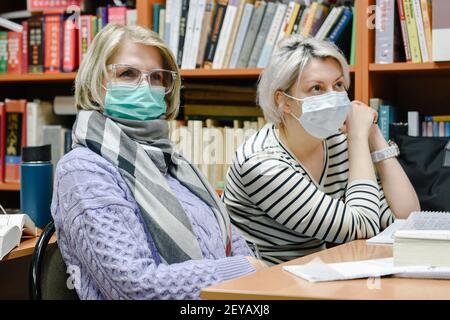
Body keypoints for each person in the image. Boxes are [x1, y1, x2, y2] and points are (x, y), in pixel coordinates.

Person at [51, 24, 265, 300]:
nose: (145, 86)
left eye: (156, 78)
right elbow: (134, 287)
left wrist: (249, 274)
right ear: (95, 84)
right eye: (127, 74)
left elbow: (235, 247)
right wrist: (239, 271)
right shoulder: (83, 170)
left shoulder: (175, 163)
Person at [222, 36, 420, 265]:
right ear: (283, 101)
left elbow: (405, 219)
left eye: (338, 85)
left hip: (315, 276)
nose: (333, 97)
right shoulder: (262, 163)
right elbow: (363, 227)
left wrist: (374, 136)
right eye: (316, 88)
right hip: (264, 284)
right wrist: (357, 138)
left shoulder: (334, 142)